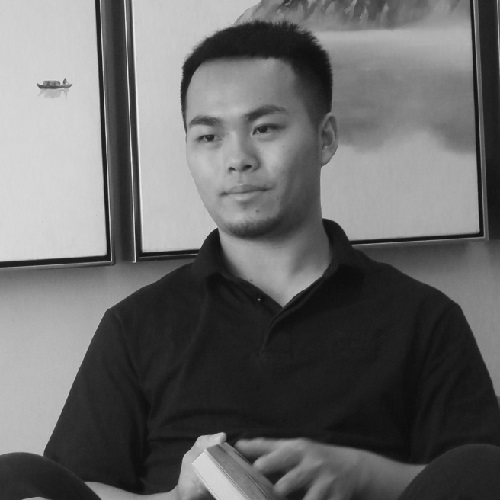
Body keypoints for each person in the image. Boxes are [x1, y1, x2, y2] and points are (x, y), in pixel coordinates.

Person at [2, 20, 500, 500]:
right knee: (18, 477)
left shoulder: (423, 319)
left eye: (263, 128)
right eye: (209, 136)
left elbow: (481, 479)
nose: (237, 159)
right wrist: (176, 498)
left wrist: (367, 477)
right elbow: (73, 489)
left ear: (325, 138)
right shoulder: (135, 328)